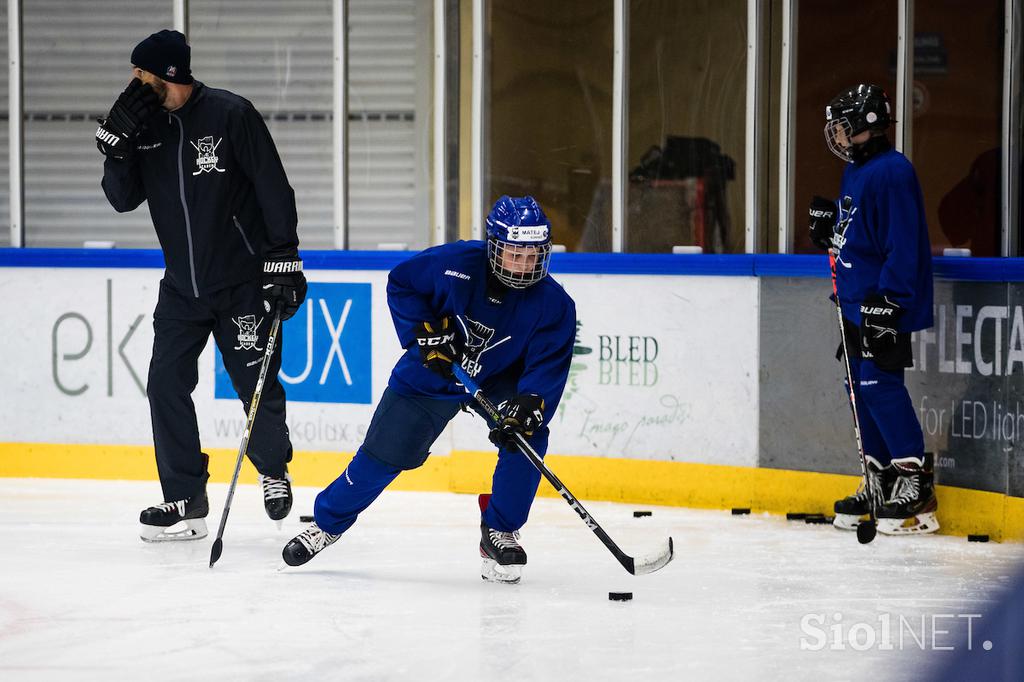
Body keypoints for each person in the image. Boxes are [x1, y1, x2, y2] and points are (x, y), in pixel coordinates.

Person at [281, 195, 576, 583]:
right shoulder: (454, 264)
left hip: (498, 378)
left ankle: (499, 531)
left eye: (532, 256)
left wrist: (529, 404)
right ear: (493, 247)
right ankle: (327, 523)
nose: (523, 267)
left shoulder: (555, 305)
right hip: (435, 371)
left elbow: (545, 367)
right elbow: (402, 283)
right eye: (514, 254)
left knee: (527, 436)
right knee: (382, 457)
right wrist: (424, 332)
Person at [97, 30, 307, 542]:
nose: (134, 84)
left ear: (170, 75)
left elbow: (273, 187)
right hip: (181, 290)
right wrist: (117, 153)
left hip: (242, 282)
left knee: (254, 386)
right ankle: (186, 499)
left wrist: (283, 259)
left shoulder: (231, 115)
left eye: (142, 75)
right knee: (165, 384)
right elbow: (122, 201)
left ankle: (273, 467)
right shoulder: (144, 129)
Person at [807, 84, 937, 535]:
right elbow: (858, 231)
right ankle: (879, 480)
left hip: (881, 304)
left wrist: (891, 300)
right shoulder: (857, 170)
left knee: (880, 386)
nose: (836, 136)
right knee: (859, 390)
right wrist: (830, 233)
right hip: (853, 301)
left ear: (867, 125)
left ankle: (915, 486)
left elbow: (904, 243)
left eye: (843, 127)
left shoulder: (894, 171)